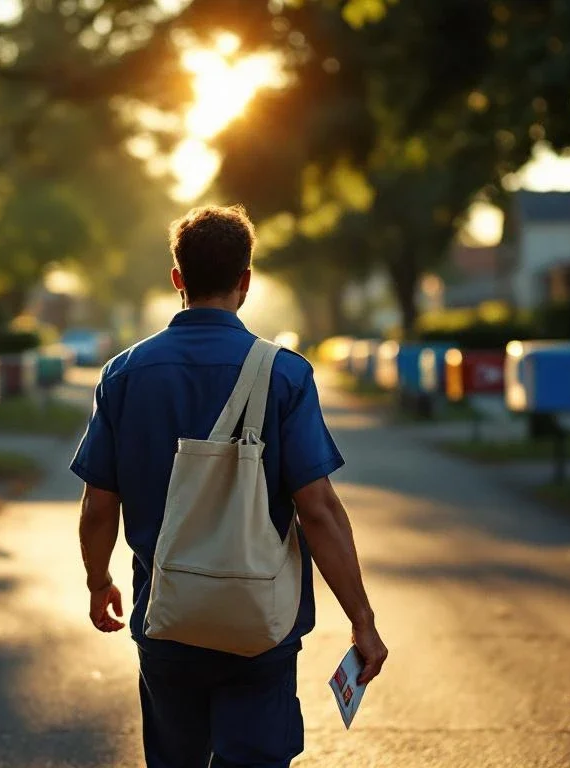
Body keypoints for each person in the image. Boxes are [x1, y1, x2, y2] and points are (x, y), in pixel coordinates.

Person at [72, 204, 387, 767]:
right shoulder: (285, 374)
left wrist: (99, 581)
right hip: (260, 625)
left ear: (177, 279)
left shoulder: (124, 374)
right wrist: (361, 621)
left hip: (167, 618)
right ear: (246, 281)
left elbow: (99, 505)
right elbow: (318, 511)